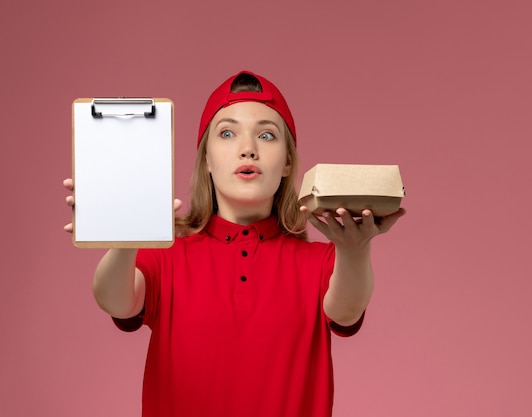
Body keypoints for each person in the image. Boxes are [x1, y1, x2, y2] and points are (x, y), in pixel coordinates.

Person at [63, 70, 405, 417]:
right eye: (227, 133)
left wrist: (355, 250)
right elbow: (115, 300)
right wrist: (124, 239)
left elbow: (346, 310)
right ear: (207, 160)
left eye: (267, 136)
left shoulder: (321, 263)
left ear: (287, 162)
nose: (248, 149)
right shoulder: (165, 257)